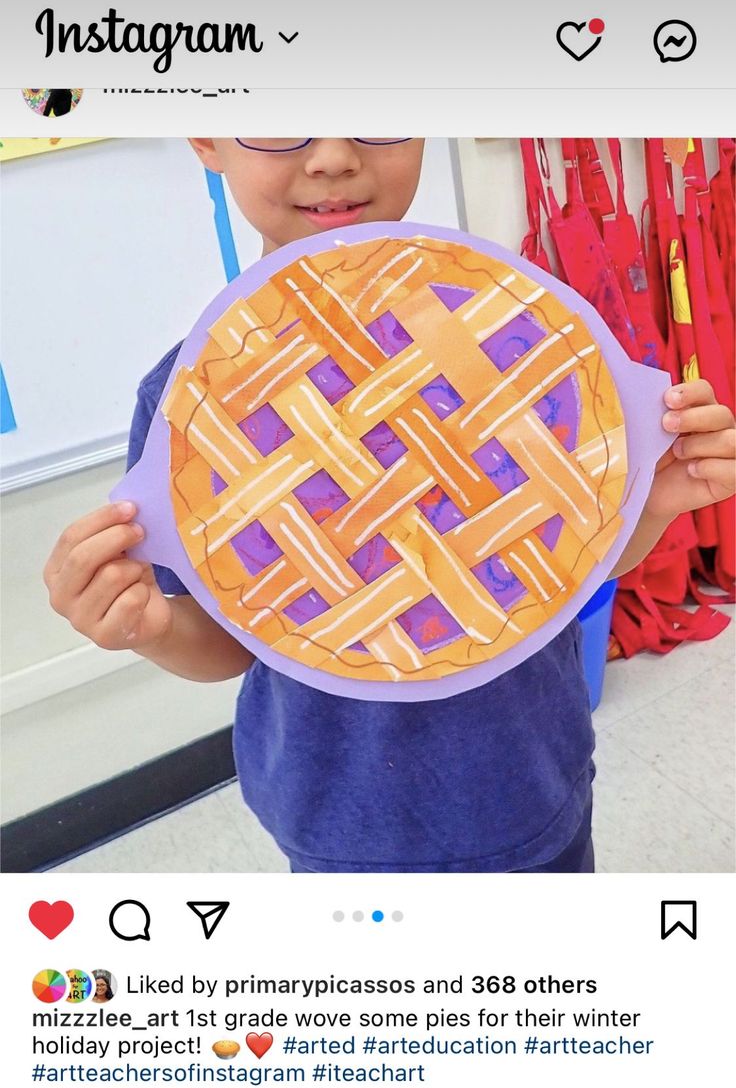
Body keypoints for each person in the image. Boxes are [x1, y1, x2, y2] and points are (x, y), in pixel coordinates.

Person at [43, 139, 736, 872]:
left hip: (529, 783)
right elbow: (229, 641)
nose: (335, 155)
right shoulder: (192, 407)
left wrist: (648, 505)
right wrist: (148, 627)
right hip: (337, 817)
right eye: (285, 123)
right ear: (209, 140)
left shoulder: (517, 336)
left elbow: (573, 565)